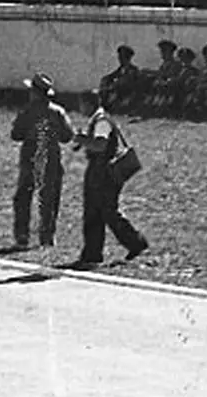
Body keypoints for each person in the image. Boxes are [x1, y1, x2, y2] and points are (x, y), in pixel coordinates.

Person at [73, 89, 148, 265]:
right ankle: (92, 253)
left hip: (103, 172)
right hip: (99, 171)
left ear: (89, 103)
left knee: (107, 211)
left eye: (82, 104)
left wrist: (82, 140)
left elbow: (100, 145)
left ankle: (136, 243)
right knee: (94, 212)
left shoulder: (101, 122)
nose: (80, 108)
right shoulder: (99, 120)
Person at [9, 73, 74, 249]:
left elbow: (16, 134)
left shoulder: (27, 111)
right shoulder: (58, 112)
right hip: (51, 156)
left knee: (23, 196)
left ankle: (22, 235)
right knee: (49, 198)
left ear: (35, 93)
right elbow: (67, 136)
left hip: (30, 155)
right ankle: (47, 237)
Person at [98, 44, 142, 112]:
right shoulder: (120, 69)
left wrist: (113, 85)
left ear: (127, 58)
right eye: (119, 56)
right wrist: (105, 80)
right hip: (119, 92)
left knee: (113, 96)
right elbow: (111, 76)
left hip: (128, 95)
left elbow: (126, 82)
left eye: (122, 57)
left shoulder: (133, 70)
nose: (120, 59)